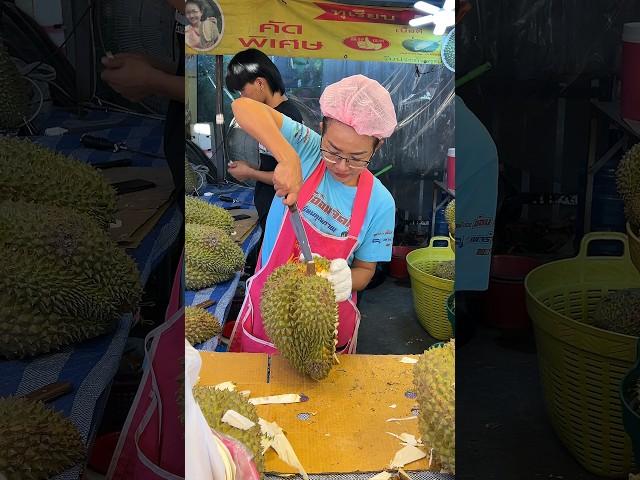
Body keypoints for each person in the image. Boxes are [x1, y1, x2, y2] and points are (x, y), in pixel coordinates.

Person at [228, 74, 397, 354]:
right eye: (332, 150)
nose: (341, 166)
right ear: (321, 130)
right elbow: (243, 107)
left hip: (326, 324)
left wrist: (345, 281)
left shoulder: (380, 203)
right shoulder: (306, 148)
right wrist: (288, 157)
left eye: (356, 157)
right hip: (270, 310)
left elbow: (366, 271)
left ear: (377, 146)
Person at [224, 48, 303, 243]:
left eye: (243, 90)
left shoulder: (287, 119)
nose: (241, 97)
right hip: (267, 206)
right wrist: (251, 167)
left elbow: (289, 176)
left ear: (260, 83)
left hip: (280, 209)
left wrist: (250, 173)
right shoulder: (269, 114)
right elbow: (273, 163)